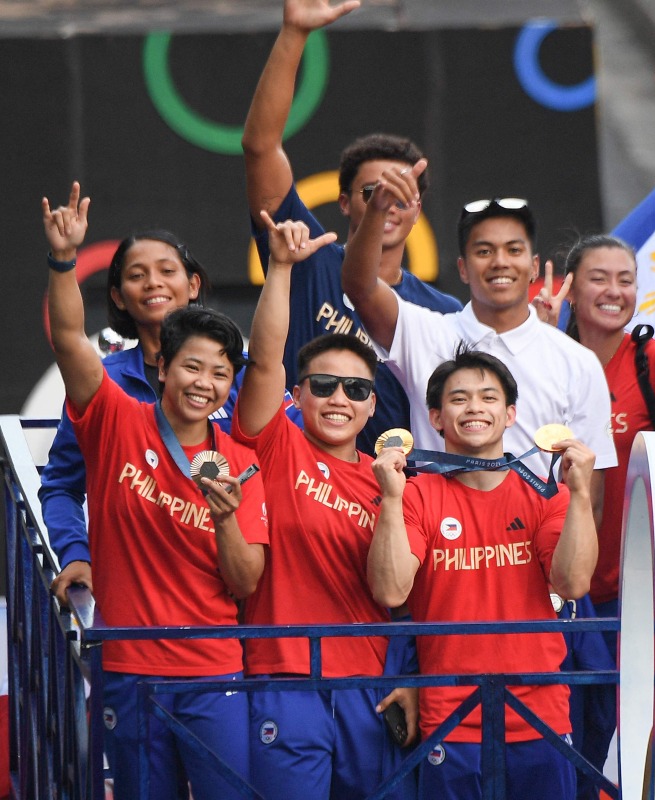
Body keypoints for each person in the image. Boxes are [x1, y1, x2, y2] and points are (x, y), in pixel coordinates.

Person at [42, 184, 268, 799]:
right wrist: (65, 261)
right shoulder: (115, 413)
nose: (205, 383)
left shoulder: (241, 459)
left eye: (221, 373)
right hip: (128, 669)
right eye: (192, 367)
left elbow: (246, 581)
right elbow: (67, 340)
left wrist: (226, 520)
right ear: (162, 368)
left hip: (215, 671)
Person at [233, 215, 416, 799]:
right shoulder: (278, 445)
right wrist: (281, 268)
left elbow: (408, 597)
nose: (340, 398)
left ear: (371, 410)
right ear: (298, 395)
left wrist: (413, 680)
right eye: (324, 385)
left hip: (372, 689)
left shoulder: (393, 482)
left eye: (357, 390)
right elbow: (265, 359)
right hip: (286, 679)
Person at [369, 347, 598, 800]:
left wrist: (581, 496)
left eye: (488, 397)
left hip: (539, 714)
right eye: (458, 399)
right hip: (451, 718)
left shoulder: (543, 494)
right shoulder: (415, 495)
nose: (474, 407)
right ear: (434, 418)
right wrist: (391, 501)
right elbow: (391, 589)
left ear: (511, 414)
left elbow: (572, 584)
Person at [242, 0, 462, 455]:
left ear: (418, 210)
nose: (387, 205)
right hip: (292, 477)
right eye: (372, 194)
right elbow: (261, 147)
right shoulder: (307, 259)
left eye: (401, 195)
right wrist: (294, 33)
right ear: (343, 203)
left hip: (392, 498)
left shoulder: (442, 313)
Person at [340, 165, 617, 514]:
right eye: (484, 251)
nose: (500, 262)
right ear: (462, 268)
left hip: (533, 557)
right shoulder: (424, 331)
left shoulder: (577, 362)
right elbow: (359, 287)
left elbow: (589, 499)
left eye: (513, 250)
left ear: (533, 266)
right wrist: (377, 211)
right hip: (438, 551)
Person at [41, 197, 238, 604]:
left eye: (168, 271)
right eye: (137, 275)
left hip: (228, 586)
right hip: (134, 591)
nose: (153, 283)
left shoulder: (240, 376)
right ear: (116, 296)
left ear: (193, 284)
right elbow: (62, 484)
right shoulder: (103, 385)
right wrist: (76, 554)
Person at [535, 234, 655, 796]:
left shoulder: (653, 362)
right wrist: (540, 339)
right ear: (571, 288)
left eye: (626, 278)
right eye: (600, 278)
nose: (615, 291)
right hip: (551, 583)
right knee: (554, 726)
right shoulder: (548, 357)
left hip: (628, 588)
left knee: (615, 729)